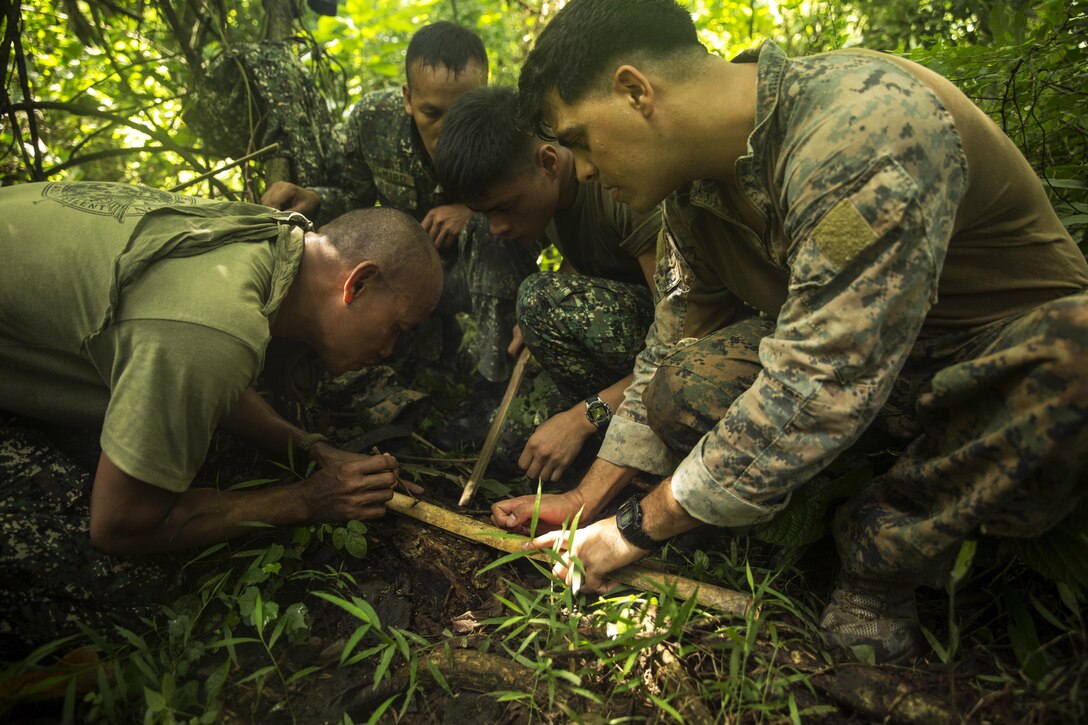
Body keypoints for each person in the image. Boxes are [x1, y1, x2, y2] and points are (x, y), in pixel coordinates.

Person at [492, 0, 1088, 662]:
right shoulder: (693, 192)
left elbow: (817, 378)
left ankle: (881, 551)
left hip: (986, 360)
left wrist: (635, 529)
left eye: (577, 139)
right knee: (679, 382)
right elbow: (675, 340)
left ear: (636, 91)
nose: (578, 170)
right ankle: (807, 498)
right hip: (866, 373)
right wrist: (588, 495)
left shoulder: (861, 128)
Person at [0, 181, 441, 652]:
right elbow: (119, 523)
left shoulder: (258, 234)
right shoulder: (215, 329)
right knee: (152, 597)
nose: (388, 350)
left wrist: (312, 448)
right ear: (358, 283)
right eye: (397, 328)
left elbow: (209, 374)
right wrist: (309, 500)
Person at [260, 22, 538, 423]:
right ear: (408, 99)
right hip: (400, 286)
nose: (448, 129)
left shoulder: (507, 128)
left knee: (489, 232)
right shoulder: (374, 122)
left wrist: (474, 211)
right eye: (431, 113)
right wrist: (317, 198)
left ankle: (492, 390)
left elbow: (536, 216)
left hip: (475, 276)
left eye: (463, 109)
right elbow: (354, 204)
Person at [433, 85, 660, 482]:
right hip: (629, 353)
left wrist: (584, 418)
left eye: (504, 207)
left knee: (539, 298)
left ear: (549, 162)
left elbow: (684, 345)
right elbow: (593, 260)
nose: (499, 226)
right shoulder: (549, 194)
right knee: (512, 450)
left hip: (672, 353)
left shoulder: (622, 189)